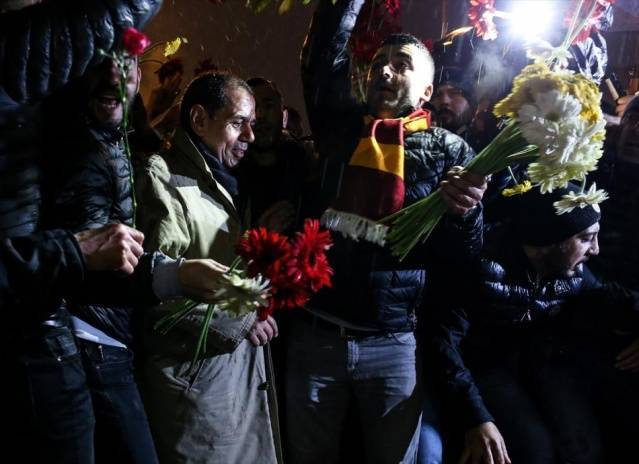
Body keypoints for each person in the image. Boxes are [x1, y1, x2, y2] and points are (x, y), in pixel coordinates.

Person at [286, 1, 489, 462]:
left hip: (393, 344)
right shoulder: (340, 129)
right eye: (379, 62)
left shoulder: (450, 151)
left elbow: (464, 255)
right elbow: (322, 59)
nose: (385, 71)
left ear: (426, 91)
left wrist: (466, 213)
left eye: (402, 65)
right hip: (316, 335)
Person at [431, 184, 639, 464]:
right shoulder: (482, 266)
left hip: (537, 362)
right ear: (550, 240)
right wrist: (476, 417)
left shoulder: (570, 270)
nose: (595, 250)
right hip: (483, 369)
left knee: (584, 449)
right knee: (534, 450)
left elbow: (611, 297)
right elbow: (443, 344)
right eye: (586, 238)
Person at [135, 71, 281, 464]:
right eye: (238, 123)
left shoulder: (225, 180)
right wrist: (243, 315)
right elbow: (157, 285)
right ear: (199, 119)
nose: (250, 136)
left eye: (253, 124)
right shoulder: (163, 177)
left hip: (225, 374)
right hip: (194, 379)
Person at [235, 77, 307, 229]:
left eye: (268, 106)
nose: (260, 115)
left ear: (284, 117)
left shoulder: (306, 166)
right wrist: (258, 236)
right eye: (252, 109)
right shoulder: (231, 176)